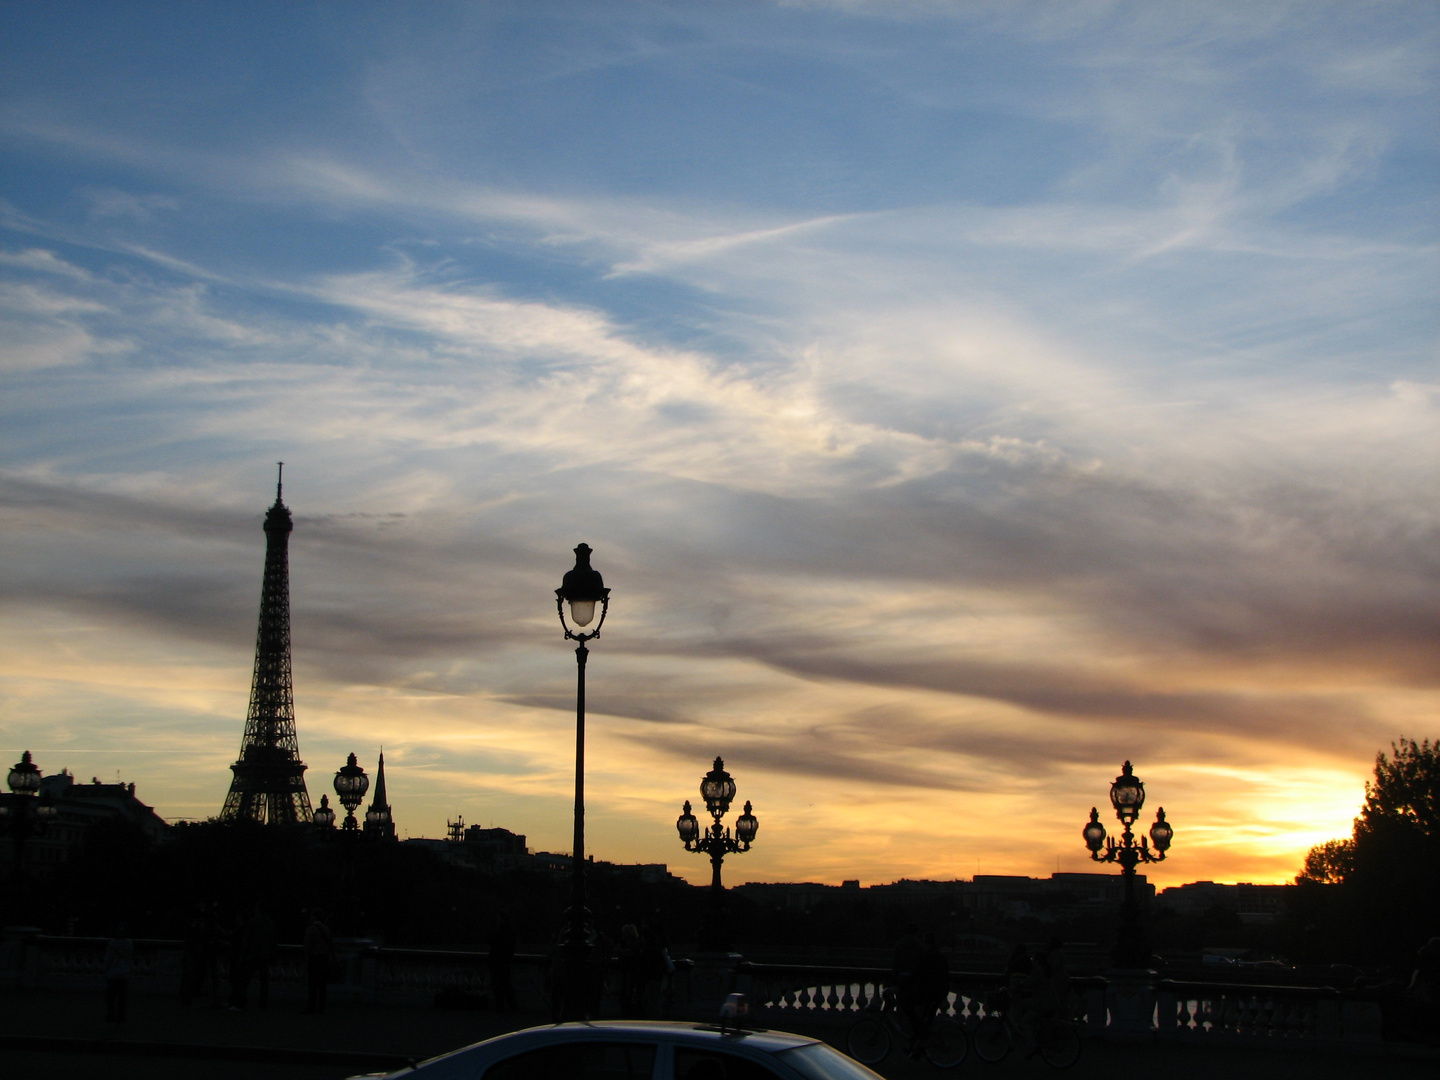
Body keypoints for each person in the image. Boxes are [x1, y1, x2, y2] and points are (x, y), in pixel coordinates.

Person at [303, 909, 334, 1014]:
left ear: (314, 917)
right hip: (324, 958)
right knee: (322, 985)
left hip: (314, 958)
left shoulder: (310, 929)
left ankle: (311, 1007)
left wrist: (307, 956)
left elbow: (307, 945)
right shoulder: (326, 928)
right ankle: (321, 1007)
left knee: (312, 985)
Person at [103, 922, 134, 1023]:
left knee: (111, 997)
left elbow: (108, 958)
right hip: (124, 973)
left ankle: (111, 1016)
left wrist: (106, 970)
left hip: (113, 973)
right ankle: (121, 1017)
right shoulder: (129, 943)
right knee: (122, 998)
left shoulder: (112, 943)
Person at [488, 910, 518, 1012]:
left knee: (499, 985)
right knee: (505, 984)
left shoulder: (500, 931)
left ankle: (501, 1006)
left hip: (498, 961)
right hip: (504, 961)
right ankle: (511, 1006)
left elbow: (492, 942)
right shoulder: (509, 931)